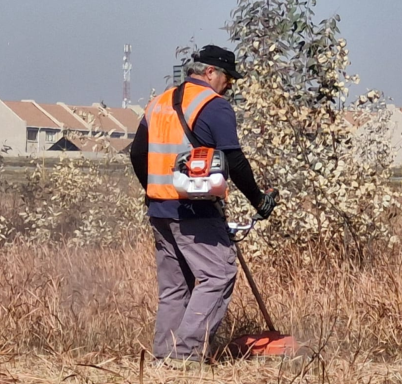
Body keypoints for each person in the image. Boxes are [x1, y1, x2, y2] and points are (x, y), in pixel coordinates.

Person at [129, 45, 277, 369]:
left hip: (159, 210)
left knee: (175, 287)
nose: (230, 86)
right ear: (210, 73)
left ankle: (163, 361)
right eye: (228, 78)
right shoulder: (214, 106)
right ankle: (184, 358)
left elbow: (137, 154)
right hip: (194, 211)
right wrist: (259, 199)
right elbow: (234, 159)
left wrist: (155, 191)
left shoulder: (158, 103)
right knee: (218, 274)